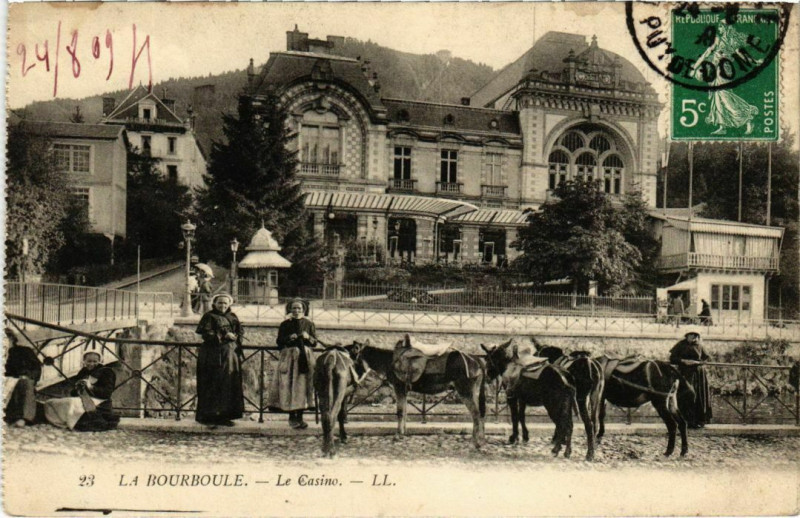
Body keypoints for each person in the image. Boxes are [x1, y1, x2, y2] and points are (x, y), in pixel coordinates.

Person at [194, 293, 244, 427]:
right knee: (212, 383)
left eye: (225, 303)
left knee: (229, 383)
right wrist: (223, 335)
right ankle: (209, 417)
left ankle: (225, 416)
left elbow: (240, 331)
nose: (223, 305)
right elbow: (206, 334)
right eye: (220, 303)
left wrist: (236, 336)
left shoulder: (233, 316)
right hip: (212, 355)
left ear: (229, 304)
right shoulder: (209, 316)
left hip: (230, 355)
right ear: (214, 304)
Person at [43, 349, 119, 431]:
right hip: (83, 399)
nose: (92, 364)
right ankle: (60, 422)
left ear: (100, 361)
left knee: (71, 403)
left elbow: (107, 393)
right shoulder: (83, 371)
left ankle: (74, 423)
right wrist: (79, 387)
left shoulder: (106, 372)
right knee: (52, 402)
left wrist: (90, 387)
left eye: (95, 361)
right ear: (84, 361)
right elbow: (74, 393)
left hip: (101, 402)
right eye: (89, 361)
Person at [269, 298, 317, 429]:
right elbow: (279, 342)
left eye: (299, 308)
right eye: (294, 308)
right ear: (290, 310)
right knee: (289, 385)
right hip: (290, 357)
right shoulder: (285, 324)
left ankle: (300, 417)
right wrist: (289, 338)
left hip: (304, 357)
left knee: (302, 387)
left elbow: (315, 342)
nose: (296, 311)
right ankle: (291, 417)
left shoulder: (309, 324)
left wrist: (308, 337)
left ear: (304, 310)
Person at [669, 332, 712, 429]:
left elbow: (706, 359)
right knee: (686, 394)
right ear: (687, 336)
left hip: (698, 374)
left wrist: (697, 362)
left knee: (699, 396)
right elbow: (672, 358)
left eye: (695, 336)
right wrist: (683, 361)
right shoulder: (681, 345)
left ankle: (698, 421)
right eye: (690, 335)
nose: (692, 338)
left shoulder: (700, 345)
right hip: (685, 373)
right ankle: (684, 420)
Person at [4, 329, 42, 427]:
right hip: (5, 383)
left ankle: (23, 418)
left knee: (25, 382)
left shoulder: (25, 351)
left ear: (11, 339)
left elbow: (36, 368)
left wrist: (27, 375)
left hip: (21, 382)